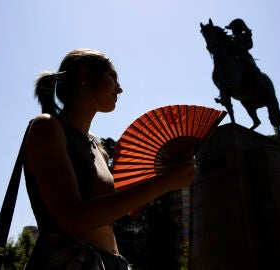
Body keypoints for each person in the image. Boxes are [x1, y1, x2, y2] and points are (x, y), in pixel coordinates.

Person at [23, 48, 196, 269]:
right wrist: (163, 183)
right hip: (71, 262)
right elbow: (73, 218)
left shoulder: (99, 148)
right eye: (112, 77)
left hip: (112, 263)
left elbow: (118, 206)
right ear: (85, 76)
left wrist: (165, 169)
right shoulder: (47, 127)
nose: (120, 88)